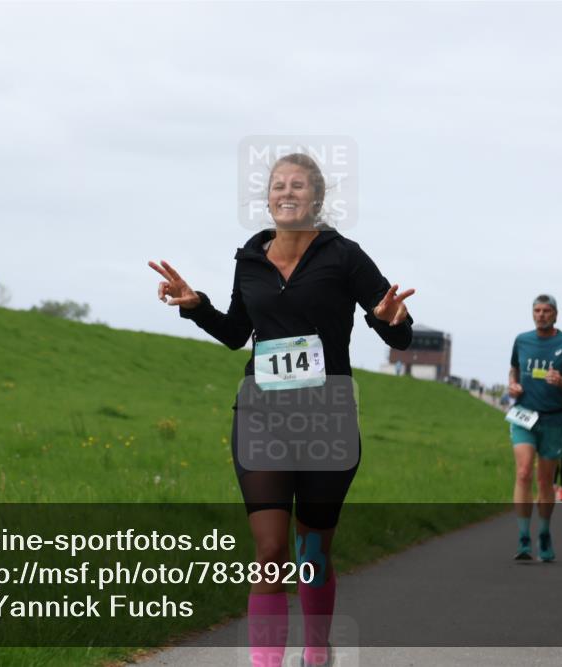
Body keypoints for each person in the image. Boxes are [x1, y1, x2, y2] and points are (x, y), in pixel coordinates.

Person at [149, 152, 414, 667]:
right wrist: (195, 304)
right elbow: (235, 334)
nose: (286, 193)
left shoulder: (344, 257)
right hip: (261, 416)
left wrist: (388, 322)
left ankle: (316, 652)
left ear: (316, 198)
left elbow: (397, 331)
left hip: (327, 418)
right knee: (269, 553)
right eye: (277, 186)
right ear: (266, 198)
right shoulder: (249, 260)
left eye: (298, 185)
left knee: (311, 552)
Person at [507, 294, 562, 562]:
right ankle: (523, 537)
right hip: (524, 415)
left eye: (546, 310)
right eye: (537, 310)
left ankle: (543, 531)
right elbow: (513, 369)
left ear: (555, 314)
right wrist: (513, 385)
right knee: (524, 471)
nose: (541, 314)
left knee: (544, 480)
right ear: (532, 313)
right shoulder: (522, 340)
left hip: (554, 418)